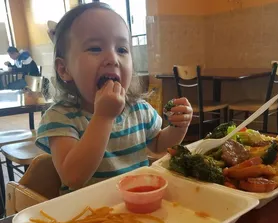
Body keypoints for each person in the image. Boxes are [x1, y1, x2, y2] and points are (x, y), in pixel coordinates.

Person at [36, 2, 193, 195]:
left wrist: (178, 127)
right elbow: (73, 177)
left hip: (137, 205)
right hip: (87, 216)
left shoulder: (139, 109)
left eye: (122, 50)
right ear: (64, 69)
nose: (112, 58)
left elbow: (159, 144)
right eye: (94, 48)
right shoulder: (60, 118)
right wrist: (103, 117)